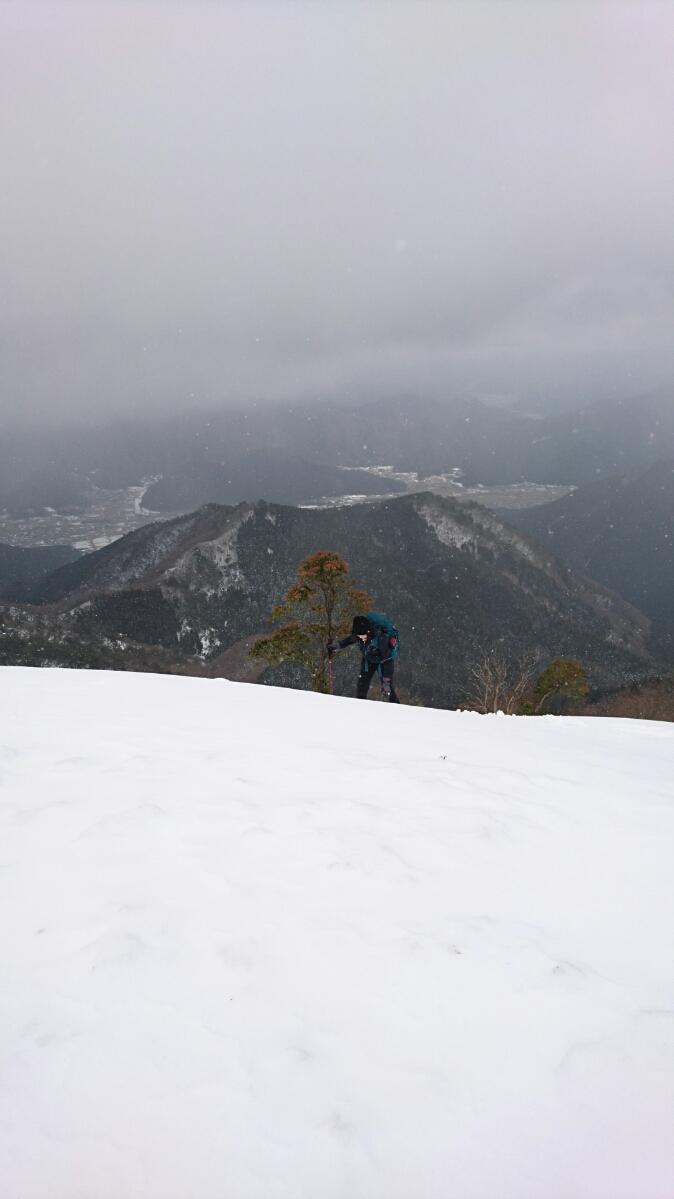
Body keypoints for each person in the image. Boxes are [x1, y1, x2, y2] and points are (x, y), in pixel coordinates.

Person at [327, 613, 400, 702]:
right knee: (362, 686)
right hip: (368, 660)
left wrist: (386, 681)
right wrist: (336, 646)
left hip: (383, 661)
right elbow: (349, 640)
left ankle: (396, 707)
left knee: (388, 690)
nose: (361, 639)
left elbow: (387, 660)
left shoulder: (381, 638)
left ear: (368, 632)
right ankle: (361, 705)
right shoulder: (359, 633)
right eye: (359, 637)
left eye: (362, 636)